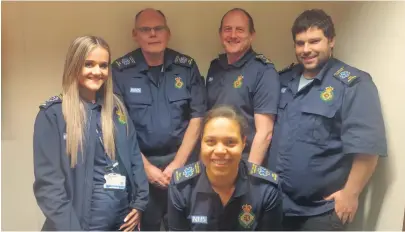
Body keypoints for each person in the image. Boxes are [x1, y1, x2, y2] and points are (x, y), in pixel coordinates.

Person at [269, 9, 387, 230]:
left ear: (331, 40)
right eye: (300, 43)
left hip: (320, 211)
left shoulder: (353, 84)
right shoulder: (283, 80)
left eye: (314, 41)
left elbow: (368, 148)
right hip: (278, 204)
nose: (306, 50)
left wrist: (351, 194)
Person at [33, 35, 149, 231]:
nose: (97, 72)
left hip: (123, 220)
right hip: (81, 224)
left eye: (103, 66)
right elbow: (49, 187)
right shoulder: (53, 115)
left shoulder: (117, 110)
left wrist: (140, 203)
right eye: (89, 64)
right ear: (74, 65)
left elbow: (135, 157)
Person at [112, 8, 206, 230]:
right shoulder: (120, 71)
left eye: (158, 28)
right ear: (135, 34)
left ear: (168, 33)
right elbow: (117, 123)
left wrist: (177, 164)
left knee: (186, 226)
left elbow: (198, 117)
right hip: (140, 167)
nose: (153, 34)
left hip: (183, 166)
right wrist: (146, 169)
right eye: (146, 30)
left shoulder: (186, 66)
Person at [168, 106, 283, 231]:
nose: (220, 151)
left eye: (230, 142)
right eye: (211, 141)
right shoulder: (181, 186)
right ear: (201, 142)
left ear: (243, 143)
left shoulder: (266, 189)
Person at [206, 8, 280, 166]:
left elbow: (265, 132)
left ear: (252, 35)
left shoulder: (263, 71)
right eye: (228, 29)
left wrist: (249, 176)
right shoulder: (215, 67)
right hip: (214, 161)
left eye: (239, 30)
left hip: (243, 164)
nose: (233, 35)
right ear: (220, 34)